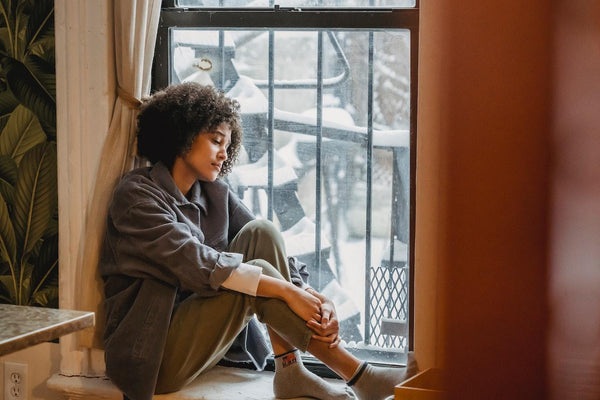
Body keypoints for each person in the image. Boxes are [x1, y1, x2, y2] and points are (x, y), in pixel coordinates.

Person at [100, 82, 417, 400]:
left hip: (202, 342)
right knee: (254, 275)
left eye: (227, 144)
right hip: (152, 357)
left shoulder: (215, 192)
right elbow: (196, 262)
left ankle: (291, 371)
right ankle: (361, 376)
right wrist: (287, 292)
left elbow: (263, 240)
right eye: (215, 141)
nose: (224, 153)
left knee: (262, 231)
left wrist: (311, 297)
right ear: (181, 136)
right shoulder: (136, 196)